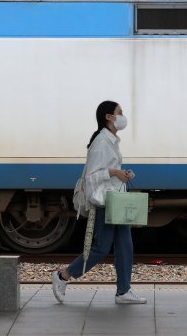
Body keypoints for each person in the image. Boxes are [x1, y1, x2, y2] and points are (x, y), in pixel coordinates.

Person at [51, 100, 147, 304]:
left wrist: (122, 174)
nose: (123, 116)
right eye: (119, 112)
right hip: (105, 202)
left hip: (115, 200)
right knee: (101, 248)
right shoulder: (101, 143)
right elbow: (91, 177)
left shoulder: (111, 140)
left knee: (125, 245)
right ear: (109, 117)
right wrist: (114, 172)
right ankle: (63, 276)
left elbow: (107, 172)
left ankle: (123, 291)